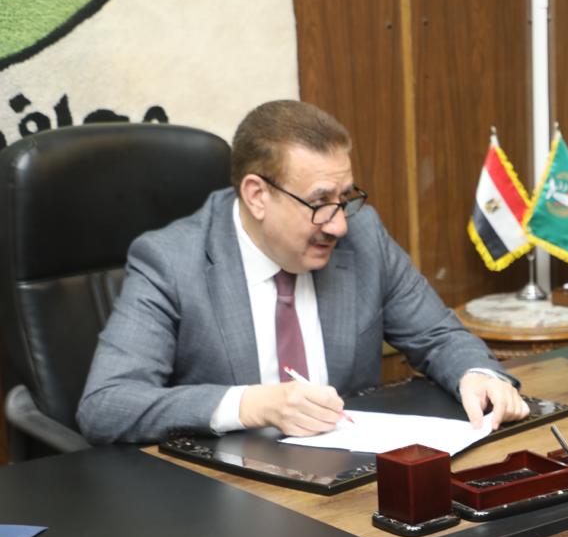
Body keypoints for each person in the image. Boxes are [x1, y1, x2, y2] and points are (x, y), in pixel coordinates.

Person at [77, 100, 527, 443]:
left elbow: (438, 336)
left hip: (350, 483)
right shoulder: (172, 260)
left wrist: (478, 375)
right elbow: (106, 404)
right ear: (257, 195)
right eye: (319, 202)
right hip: (226, 495)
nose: (339, 224)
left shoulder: (363, 236)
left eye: (345, 197)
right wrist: (251, 404)